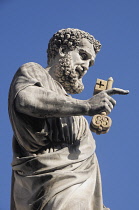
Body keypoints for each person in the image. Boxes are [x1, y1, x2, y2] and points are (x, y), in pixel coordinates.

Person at [8, 28, 129, 210]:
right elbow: (26, 100)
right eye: (82, 55)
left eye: (90, 62)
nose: (86, 65)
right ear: (63, 50)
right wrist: (87, 106)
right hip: (48, 186)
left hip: (81, 192)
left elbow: (87, 172)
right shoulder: (34, 72)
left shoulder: (72, 107)